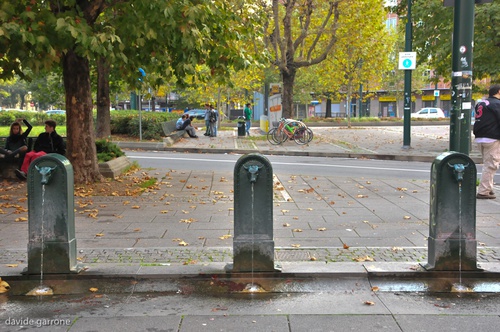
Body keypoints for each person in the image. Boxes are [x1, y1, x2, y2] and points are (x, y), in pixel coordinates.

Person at [473, 84, 500, 199]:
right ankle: (483, 191)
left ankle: (489, 188)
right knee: (491, 165)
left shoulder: (481, 103)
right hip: (492, 137)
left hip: (480, 136)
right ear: (498, 92)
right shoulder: (497, 104)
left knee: (488, 162)